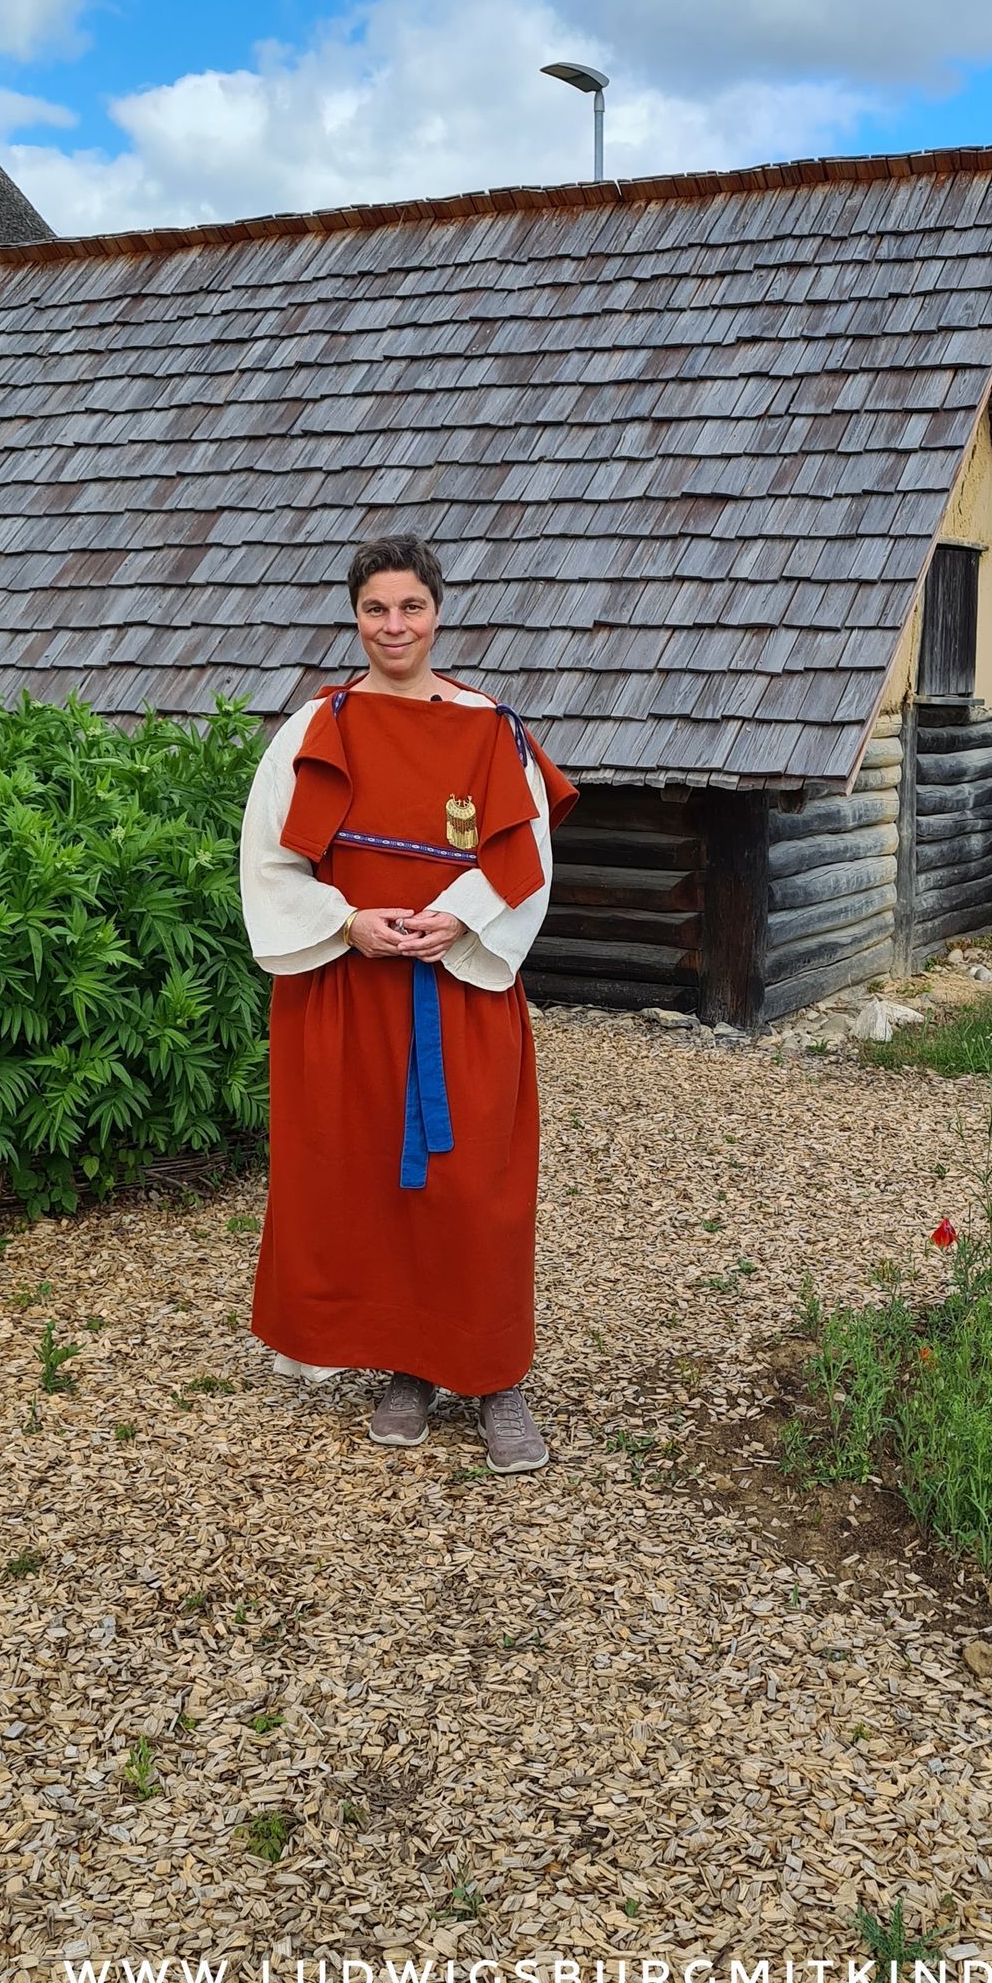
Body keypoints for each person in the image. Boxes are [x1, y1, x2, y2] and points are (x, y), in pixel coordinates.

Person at [239, 534, 577, 1472]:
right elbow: (269, 862)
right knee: (376, 1189)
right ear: (356, 618)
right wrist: (347, 922)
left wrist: (457, 917)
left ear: (437, 612)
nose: (395, 626)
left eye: (411, 607)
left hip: (458, 993)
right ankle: (409, 1369)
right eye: (376, 609)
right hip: (350, 996)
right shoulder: (316, 728)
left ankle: (498, 1378)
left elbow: (527, 858)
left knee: (477, 1190)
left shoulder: (490, 729)